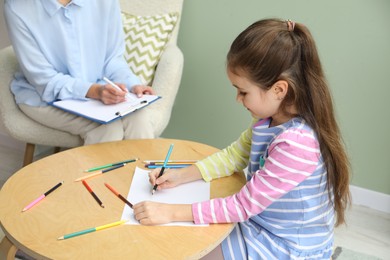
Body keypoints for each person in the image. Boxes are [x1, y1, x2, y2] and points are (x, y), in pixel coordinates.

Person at [133, 19, 351, 259]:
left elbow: (242, 205)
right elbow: (234, 155)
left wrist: (171, 213)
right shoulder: (268, 119)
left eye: (243, 91)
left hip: (287, 247)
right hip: (261, 222)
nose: (238, 98)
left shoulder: (296, 144)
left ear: (279, 90)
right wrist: (179, 176)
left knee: (187, 249)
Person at [4, 0, 156, 145]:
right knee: (107, 128)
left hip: (98, 92)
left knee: (139, 117)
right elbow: (44, 80)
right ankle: (93, 173)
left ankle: (148, 172)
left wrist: (132, 84)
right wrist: (95, 91)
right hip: (43, 97)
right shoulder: (17, 8)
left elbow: (112, 59)